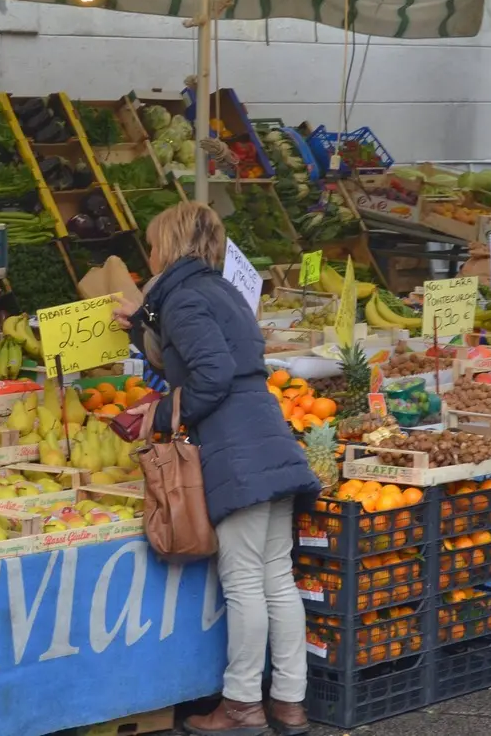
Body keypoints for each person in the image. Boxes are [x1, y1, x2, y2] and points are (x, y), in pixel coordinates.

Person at [115, 202, 319, 736]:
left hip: (237, 446)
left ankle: (242, 705)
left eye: (154, 242)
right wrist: (140, 325)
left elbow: (211, 373)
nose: (150, 253)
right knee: (276, 573)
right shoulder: (218, 291)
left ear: (172, 245)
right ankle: (290, 702)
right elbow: (194, 357)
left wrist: (158, 413)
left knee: (245, 580)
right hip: (266, 433)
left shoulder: (182, 297)